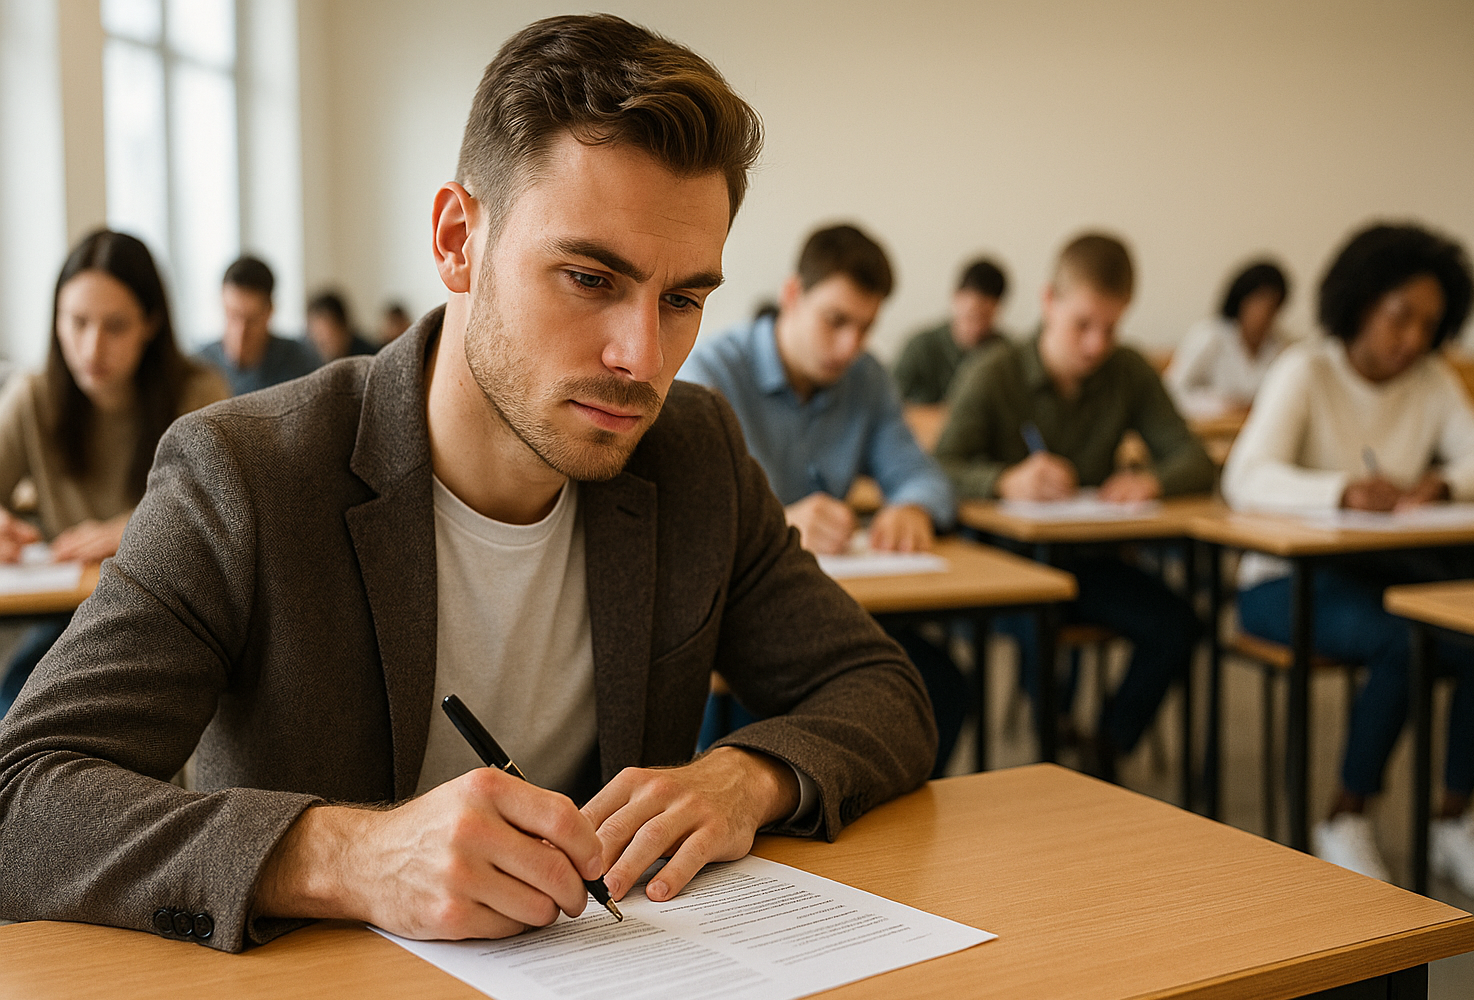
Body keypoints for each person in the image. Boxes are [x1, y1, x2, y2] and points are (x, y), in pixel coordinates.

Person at [0, 14, 935, 952]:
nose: (643, 358)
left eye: (683, 298)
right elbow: (21, 800)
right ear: (457, 240)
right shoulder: (244, 473)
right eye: (588, 277)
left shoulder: (695, 454)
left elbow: (879, 686)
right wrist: (346, 855)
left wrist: (745, 777)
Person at [1223, 223, 1474, 900]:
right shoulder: (1306, 369)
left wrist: (1444, 484)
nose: (1413, 338)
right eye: (1400, 316)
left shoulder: (1431, 380)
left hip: (1379, 572)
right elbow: (1244, 477)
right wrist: (1340, 491)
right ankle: (1345, 815)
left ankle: (1452, 818)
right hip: (1283, 583)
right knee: (1402, 640)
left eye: (1430, 325)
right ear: (1360, 302)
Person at [677, 224, 966, 775]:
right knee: (766, 708)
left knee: (940, 686)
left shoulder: (867, 379)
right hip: (745, 618)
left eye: (865, 327)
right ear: (792, 295)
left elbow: (923, 476)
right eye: (836, 320)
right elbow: (685, 517)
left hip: (841, 606)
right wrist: (776, 524)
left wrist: (912, 506)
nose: (850, 346)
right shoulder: (712, 371)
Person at [935, 232, 1215, 780]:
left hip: (1089, 561)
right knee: (1038, 624)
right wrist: (1005, 480)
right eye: (1082, 324)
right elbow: (938, 468)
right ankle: (1050, 750)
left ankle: (1105, 747)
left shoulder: (1128, 370)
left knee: (1179, 625)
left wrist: (1151, 481)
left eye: (1111, 328)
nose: (1096, 345)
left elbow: (1196, 460)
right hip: (1010, 564)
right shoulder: (995, 372)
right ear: (1048, 302)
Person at [0, 229, 228, 718]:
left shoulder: (199, 394)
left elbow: (221, 515)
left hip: (168, 616)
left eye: (116, 326)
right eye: (77, 322)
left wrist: (133, 532)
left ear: (151, 323)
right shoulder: (33, 395)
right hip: (69, 618)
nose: (91, 347)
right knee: (16, 712)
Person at [1164, 260, 1291, 416]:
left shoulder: (1279, 346)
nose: (1264, 312)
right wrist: (1221, 404)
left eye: (1273, 305)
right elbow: (1171, 392)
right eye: (1259, 301)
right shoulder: (1210, 335)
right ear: (1242, 299)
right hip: (1210, 425)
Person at [197, 256, 322, 394]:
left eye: (251, 320)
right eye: (232, 315)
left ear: (270, 311)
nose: (241, 331)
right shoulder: (201, 367)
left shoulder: (301, 362)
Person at [893, 258, 1010, 404]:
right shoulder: (920, 346)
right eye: (971, 316)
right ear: (956, 297)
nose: (977, 327)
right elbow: (888, 406)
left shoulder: (1004, 354)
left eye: (985, 318)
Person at [306, 290, 378, 361]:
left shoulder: (370, 358)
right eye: (316, 336)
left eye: (327, 337)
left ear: (343, 328)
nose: (322, 345)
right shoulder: (310, 359)